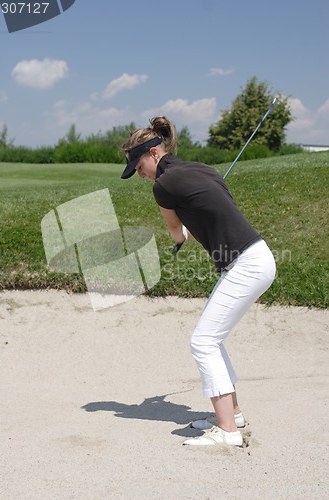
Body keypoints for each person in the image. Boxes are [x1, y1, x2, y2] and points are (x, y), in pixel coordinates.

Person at [120, 116, 276, 447]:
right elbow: (215, 208)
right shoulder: (201, 169)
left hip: (246, 263)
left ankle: (227, 433)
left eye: (138, 164)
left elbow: (176, 232)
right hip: (257, 257)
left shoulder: (163, 187)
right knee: (212, 339)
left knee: (203, 341)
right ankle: (232, 414)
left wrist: (181, 237)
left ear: (154, 153)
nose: (138, 172)